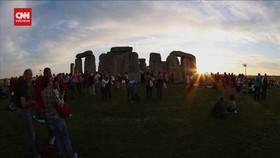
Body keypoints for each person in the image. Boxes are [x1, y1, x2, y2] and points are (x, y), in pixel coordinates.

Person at [41, 76, 78, 158]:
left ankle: (62, 152)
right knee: (65, 136)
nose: (52, 82)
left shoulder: (42, 93)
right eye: (50, 81)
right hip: (57, 117)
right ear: (48, 83)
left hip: (49, 117)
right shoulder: (53, 92)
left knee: (57, 137)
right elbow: (61, 104)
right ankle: (71, 154)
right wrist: (62, 96)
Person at [14, 69, 42, 158]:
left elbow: (21, 98)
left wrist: (29, 98)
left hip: (18, 109)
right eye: (30, 76)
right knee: (31, 132)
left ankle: (30, 149)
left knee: (27, 131)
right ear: (26, 74)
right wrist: (33, 102)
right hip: (23, 111)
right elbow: (23, 104)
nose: (31, 78)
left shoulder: (19, 81)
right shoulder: (22, 84)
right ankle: (35, 153)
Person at [34, 67, 56, 145]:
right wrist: (40, 106)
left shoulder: (49, 80)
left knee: (52, 120)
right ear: (46, 73)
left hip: (50, 103)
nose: (51, 74)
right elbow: (37, 95)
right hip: (44, 104)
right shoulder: (39, 81)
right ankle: (53, 135)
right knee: (49, 121)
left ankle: (54, 134)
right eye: (50, 72)